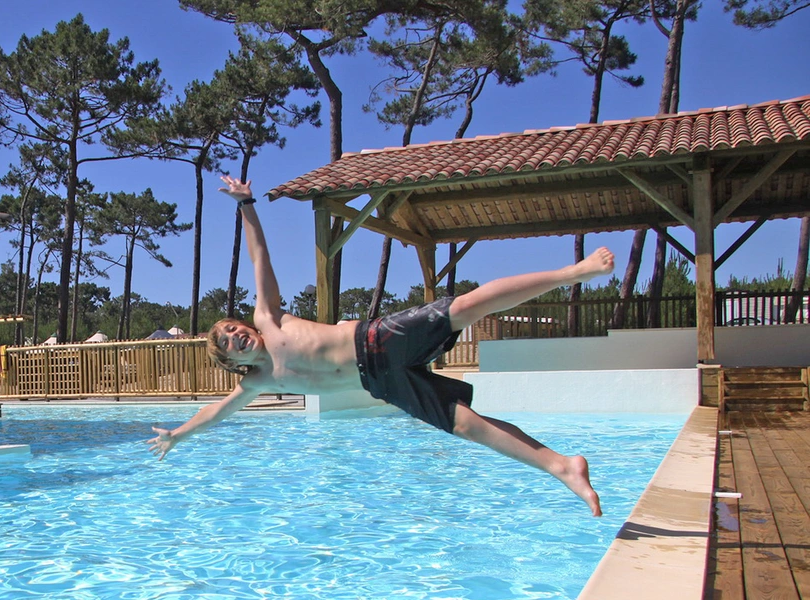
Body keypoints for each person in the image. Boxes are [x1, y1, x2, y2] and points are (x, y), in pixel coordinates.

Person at [148, 176, 614, 517]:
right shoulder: (260, 381)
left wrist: (247, 204)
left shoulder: (269, 320)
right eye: (229, 342)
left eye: (232, 326)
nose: (237, 334)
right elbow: (215, 412)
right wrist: (177, 435)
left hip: (376, 340)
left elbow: (259, 258)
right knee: (469, 427)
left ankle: (574, 272)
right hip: (383, 384)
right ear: (232, 362)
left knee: (466, 306)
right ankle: (562, 466)